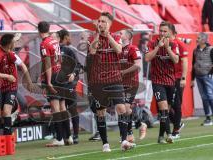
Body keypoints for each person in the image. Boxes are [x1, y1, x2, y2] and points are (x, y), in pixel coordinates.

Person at [87, 12, 134, 152]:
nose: (100, 23)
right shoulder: (92, 37)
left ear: (109, 24)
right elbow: (92, 51)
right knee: (101, 112)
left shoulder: (116, 37)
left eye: (103, 21)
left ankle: (124, 140)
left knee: (121, 108)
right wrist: (98, 34)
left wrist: (107, 35)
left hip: (114, 79)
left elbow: (119, 50)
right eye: (99, 21)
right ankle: (105, 144)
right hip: (98, 81)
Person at [38, 21, 72, 147]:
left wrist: (47, 81)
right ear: (48, 29)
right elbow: (60, 59)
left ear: (38, 31)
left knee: (55, 108)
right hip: (60, 74)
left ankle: (59, 138)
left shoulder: (44, 43)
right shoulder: (54, 41)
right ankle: (68, 136)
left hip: (53, 76)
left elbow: (47, 63)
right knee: (63, 107)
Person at [145, 21, 179, 144]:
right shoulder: (151, 43)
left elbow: (175, 60)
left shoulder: (174, 44)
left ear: (170, 32)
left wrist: (168, 48)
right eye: (161, 31)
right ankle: (169, 134)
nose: (162, 33)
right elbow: (147, 58)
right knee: (163, 108)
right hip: (157, 81)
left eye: (165, 31)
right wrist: (158, 47)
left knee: (166, 111)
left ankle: (160, 136)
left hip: (170, 81)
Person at [0, 34, 34, 135]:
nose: (15, 44)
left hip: (11, 87)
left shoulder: (12, 55)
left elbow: (23, 66)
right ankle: (11, 118)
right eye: (14, 42)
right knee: (2, 114)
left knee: (6, 112)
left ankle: (7, 138)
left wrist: (29, 82)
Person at [119, 29, 147, 141]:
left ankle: (129, 134)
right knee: (125, 109)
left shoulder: (133, 48)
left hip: (131, 83)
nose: (119, 34)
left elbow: (138, 65)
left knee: (126, 107)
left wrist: (124, 72)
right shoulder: (118, 49)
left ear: (128, 36)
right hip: (119, 83)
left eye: (121, 33)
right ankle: (140, 124)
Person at [57, 29, 82, 144]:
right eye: (69, 36)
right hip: (58, 84)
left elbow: (78, 65)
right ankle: (66, 135)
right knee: (61, 109)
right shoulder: (53, 50)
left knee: (72, 108)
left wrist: (73, 74)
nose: (70, 38)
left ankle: (75, 135)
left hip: (70, 84)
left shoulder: (69, 50)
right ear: (66, 37)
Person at [168, 24, 188, 139]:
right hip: (166, 78)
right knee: (165, 105)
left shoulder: (180, 45)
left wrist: (183, 78)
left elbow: (185, 62)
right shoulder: (163, 45)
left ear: (173, 34)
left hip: (177, 78)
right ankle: (178, 123)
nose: (164, 34)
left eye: (167, 32)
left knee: (176, 104)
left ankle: (176, 130)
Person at [191, 32, 213, 126]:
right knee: (203, 97)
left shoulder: (211, 49)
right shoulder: (195, 50)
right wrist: (192, 79)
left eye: (199, 38)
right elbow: (193, 64)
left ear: (204, 40)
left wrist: (210, 73)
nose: (197, 39)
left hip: (208, 76)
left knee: (210, 95)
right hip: (198, 76)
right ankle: (208, 117)